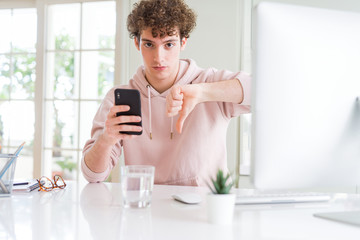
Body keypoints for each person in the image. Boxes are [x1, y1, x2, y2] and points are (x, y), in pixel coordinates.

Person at [81, 0, 251, 186]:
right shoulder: (118, 97)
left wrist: (202, 92)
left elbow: (265, 91)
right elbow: (93, 176)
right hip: (144, 207)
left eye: (169, 44)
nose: (158, 57)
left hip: (202, 207)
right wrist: (106, 139)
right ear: (137, 43)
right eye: (149, 45)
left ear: (183, 42)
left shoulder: (208, 82)